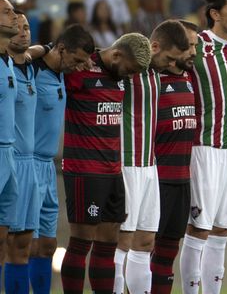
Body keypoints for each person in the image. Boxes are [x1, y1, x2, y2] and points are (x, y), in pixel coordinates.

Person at [59, 33, 152, 294]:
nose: (131, 76)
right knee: (81, 241)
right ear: (117, 55)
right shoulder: (80, 67)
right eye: (130, 70)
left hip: (113, 170)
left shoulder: (119, 77)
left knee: (109, 242)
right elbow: (53, 60)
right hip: (84, 170)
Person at [179, 0, 227, 294]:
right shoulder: (197, 44)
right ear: (215, 14)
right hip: (204, 147)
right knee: (199, 228)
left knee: (222, 229)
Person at [113, 21, 190, 294]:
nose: (172, 64)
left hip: (150, 167)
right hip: (126, 165)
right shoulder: (126, 70)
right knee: (123, 241)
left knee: (145, 241)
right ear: (154, 46)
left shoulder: (156, 74)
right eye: (169, 58)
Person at [26, 25, 94, 293]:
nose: (79, 67)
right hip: (27, 163)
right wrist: (42, 48)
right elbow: (13, 55)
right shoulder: (31, 69)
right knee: (23, 245)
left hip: (50, 167)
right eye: (76, 60)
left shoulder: (61, 75)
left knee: (47, 245)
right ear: (62, 49)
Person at [150, 20, 199, 294]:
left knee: (169, 252)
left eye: (193, 46)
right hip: (157, 180)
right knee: (145, 249)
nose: (189, 52)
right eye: (186, 46)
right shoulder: (151, 79)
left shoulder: (188, 79)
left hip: (182, 179)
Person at [4, 13, 36, 292]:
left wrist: (46, 48)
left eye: (27, 27)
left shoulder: (33, 67)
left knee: (25, 244)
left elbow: (39, 50)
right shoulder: (4, 66)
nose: (23, 32)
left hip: (33, 164)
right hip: (8, 159)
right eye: (17, 28)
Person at [0, 0, 18, 290]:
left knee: (4, 240)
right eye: (7, 12)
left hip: (10, 153)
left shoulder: (11, 62)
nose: (14, 17)